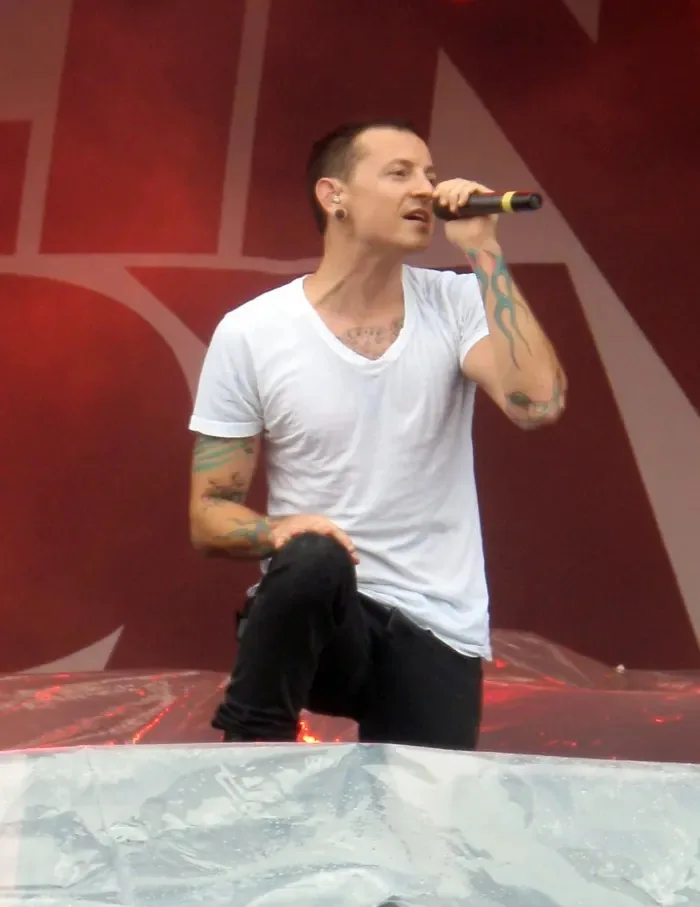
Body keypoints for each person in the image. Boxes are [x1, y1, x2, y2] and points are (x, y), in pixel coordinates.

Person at [188, 118, 566, 750]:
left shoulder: (455, 301)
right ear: (334, 195)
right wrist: (276, 530)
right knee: (311, 558)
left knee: (421, 838)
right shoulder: (252, 332)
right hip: (321, 613)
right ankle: (250, 762)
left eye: (431, 175)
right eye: (400, 173)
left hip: (435, 624)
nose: (425, 189)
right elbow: (208, 516)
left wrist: (485, 252)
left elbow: (538, 403)